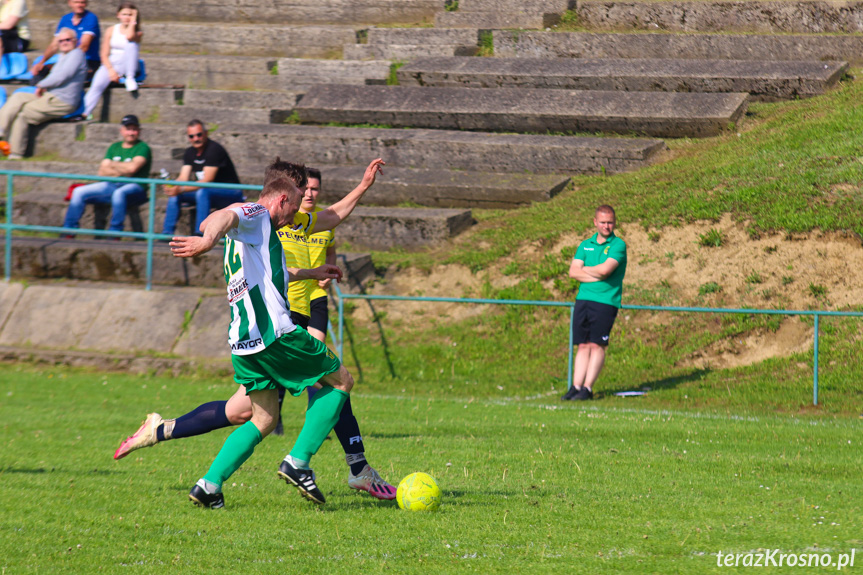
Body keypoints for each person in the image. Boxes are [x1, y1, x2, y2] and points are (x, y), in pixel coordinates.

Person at [118, 158, 386, 509]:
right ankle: (301, 462)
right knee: (340, 382)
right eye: (299, 194)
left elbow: (272, 266)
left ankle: (208, 486)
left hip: (243, 342)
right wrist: (205, 239)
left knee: (262, 418)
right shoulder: (255, 214)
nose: (300, 206)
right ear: (282, 196)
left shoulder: (258, 230)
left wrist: (309, 271)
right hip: (275, 332)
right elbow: (221, 216)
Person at [561, 205, 627, 401]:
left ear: (614, 223)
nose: (607, 226)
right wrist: (595, 273)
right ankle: (576, 386)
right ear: (595, 222)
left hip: (606, 301)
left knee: (597, 345)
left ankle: (587, 389)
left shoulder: (618, 245)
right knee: (582, 345)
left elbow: (606, 270)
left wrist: (587, 270)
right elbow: (573, 272)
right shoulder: (585, 244)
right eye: (603, 222)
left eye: (610, 222)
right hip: (583, 299)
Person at [0, 27, 87, 159]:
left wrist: (41, 85)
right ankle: (1, 130)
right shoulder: (64, 56)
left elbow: (62, 76)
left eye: (68, 40)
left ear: (75, 41)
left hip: (62, 101)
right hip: (49, 96)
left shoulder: (77, 54)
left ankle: (15, 154)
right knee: (18, 96)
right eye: (61, 40)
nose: (64, 42)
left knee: (23, 113)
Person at [60, 114, 151, 234]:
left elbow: (132, 169)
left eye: (134, 129)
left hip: (135, 186)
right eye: (128, 129)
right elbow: (102, 171)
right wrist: (123, 169)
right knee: (78, 192)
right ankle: (69, 230)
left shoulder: (143, 148)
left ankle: (115, 231)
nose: (131, 132)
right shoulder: (114, 147)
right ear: (122, 130)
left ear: (139, 131)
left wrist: (112, 164)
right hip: (111, 184)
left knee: (119, 194)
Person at [160, 120, 243, 236]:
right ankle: (167, 232)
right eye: (191, 136)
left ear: (206, 133)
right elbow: (183, 178)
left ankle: (200, 233)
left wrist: (181, 189)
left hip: (231, 192)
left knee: (202, 192)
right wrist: (173, 187)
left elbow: (207, 180)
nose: (195, 138)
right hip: (207, 192)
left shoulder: (214, 149)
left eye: (199, 134)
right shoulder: (190, 152)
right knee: (175, 194)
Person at [81, 2, 142, 119]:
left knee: (130, 45)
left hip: (128, 63)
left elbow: (129, 37)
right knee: (96, 84)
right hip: (112, 63)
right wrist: (110, 70)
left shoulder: (138, 32)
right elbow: (104, 54)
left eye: (130, 15)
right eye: (124, 14)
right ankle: (84, 112)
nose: (127, 17)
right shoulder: (111, 30)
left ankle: (130, 78)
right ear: (118, 15)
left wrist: (134, 20)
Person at [29, 0, 100, 82]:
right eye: (76, 2)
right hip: (66, 60)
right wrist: (42, 62)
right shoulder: (65, 19)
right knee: (40, 71)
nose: (79, 5)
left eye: (82, 2)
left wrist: (66, 62)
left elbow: (84, 46)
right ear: (70, 3)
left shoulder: (91, 18)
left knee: (63, 74)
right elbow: (54, 45)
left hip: (87, 62)